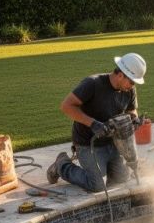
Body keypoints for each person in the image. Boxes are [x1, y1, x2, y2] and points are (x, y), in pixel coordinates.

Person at [46, 53, 147, 191]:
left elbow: (131, 111)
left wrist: (134, 121)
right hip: (88, 143)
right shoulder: (92, 84)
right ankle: (61, 165)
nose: (133, 85)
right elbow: (66, 106)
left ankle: (103, 169)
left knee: (122, 177)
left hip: (112, 143)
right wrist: (93, 124)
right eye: (132, 81)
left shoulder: (129, 90)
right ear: (121, 74)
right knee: (97, 185)